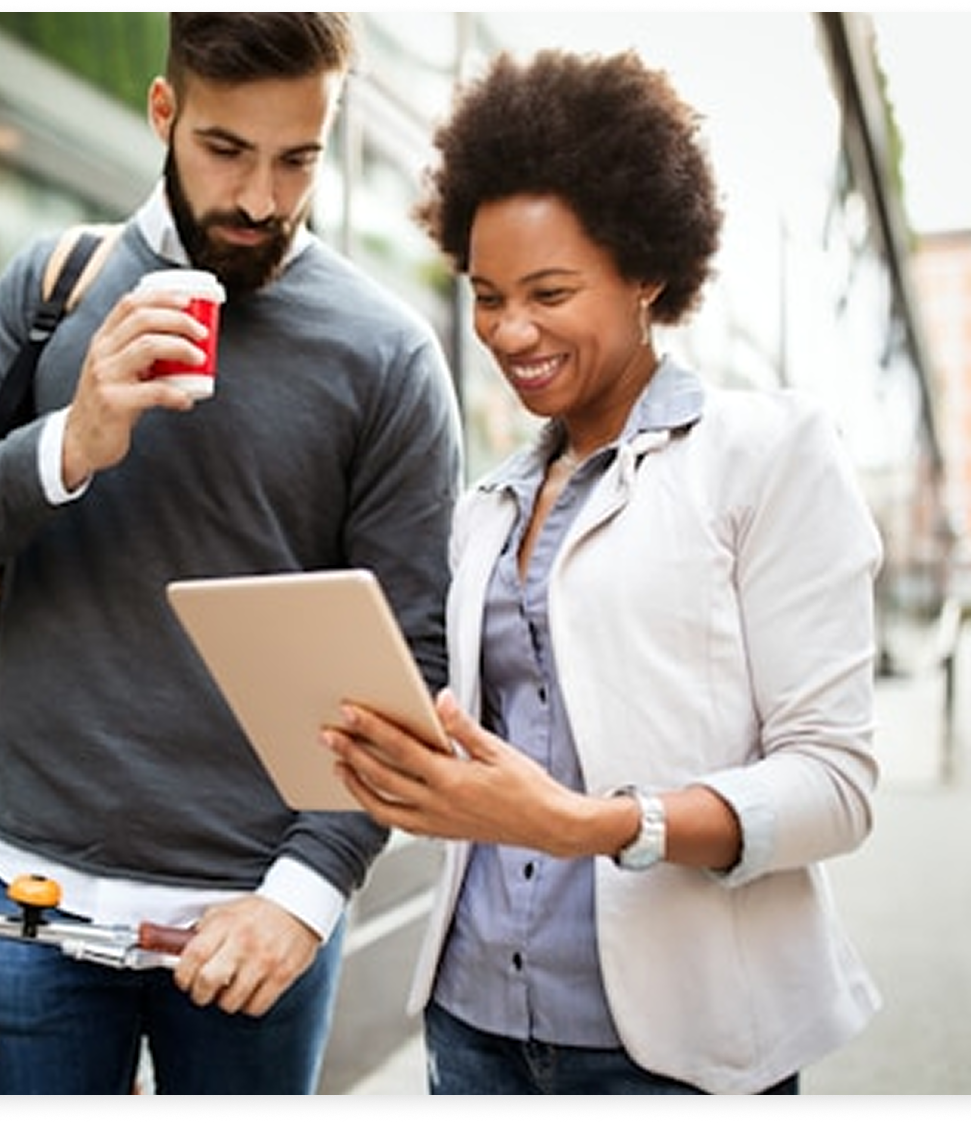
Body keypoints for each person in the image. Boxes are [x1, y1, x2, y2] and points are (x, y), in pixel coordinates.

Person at [0, 13, 461, 1095]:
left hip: (254, 915)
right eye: (225, 149)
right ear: (164, 112)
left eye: (298, 160)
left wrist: (304, 895)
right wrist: (71, 442)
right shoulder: (53, 288)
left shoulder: (387, 355)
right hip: (27, 902)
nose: (260, 200)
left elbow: (414, 658)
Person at [322, 48, 883, 1096]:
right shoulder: (488, 505)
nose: (510, 331)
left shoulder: (766, 454)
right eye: (487, 296)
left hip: (674, 1047)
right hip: (474, 1023)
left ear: (645, 273)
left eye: (549, 292)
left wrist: (595, 824)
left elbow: (835, 786)